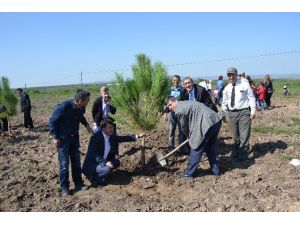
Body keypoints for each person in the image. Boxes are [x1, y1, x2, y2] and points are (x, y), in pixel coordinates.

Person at [49, 90, 93, 196]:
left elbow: (80, 116)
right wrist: (55, 137)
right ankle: (64, 187)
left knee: (76, 162)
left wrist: (86, 125)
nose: (88, 101)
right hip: (63, 140)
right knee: (64, 164)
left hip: (74, 138)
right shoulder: (64, 106)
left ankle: (78, 183)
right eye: (87, 100)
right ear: (80, 101)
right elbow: (52, 121)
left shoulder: (81, 107)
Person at [166, 96, 222, 178]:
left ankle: (188, 173)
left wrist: (189, 136)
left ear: (175, 101)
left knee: (196, 147)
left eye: (170, 105)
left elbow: (184, 127)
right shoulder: (186, 102)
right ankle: (216, 170)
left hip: (206, 123)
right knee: (210, 147)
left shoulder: (179, 110)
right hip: (216, 120)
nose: (170, 108)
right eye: (168, 107)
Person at [82, 119, 145, 187]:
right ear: (103, 129)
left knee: (116, 162)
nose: (112, 129)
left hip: (102, 162)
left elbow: (122, 138)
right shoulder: (95, 137)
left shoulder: (111, 136)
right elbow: (94, 154)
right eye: (110, 128)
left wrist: (137, 136)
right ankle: (93, 177)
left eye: (112, 127)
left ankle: (101, 176)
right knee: (107, 169)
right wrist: (106, 162)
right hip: (92, 165)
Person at [221, 67, 256, 162]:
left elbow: (251, 97)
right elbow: (224, 102)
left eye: (232, 74)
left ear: (236, 75)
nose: (231, 76)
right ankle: (237, 152)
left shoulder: (244, 84)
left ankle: (243, 155)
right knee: (235, 135)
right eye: (229, 75)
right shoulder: (227, 88)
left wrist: (253, 111)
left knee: (244, 134)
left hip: (243, 111)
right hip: (232, 113)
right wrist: (223, 114)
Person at [166, 75, 185, 151]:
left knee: (181, 130)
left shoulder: (182, 89)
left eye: (177, 80)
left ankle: (181, 147)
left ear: (179, 81)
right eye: (174, 80)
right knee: (171, 129)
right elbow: (165, 102)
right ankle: (170, 146)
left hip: (180, 112)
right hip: (171, 112)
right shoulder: (168, 90)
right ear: (172, 81)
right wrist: (165, 113)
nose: (175, 82)